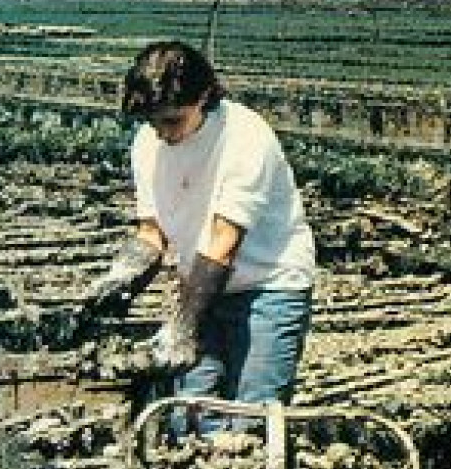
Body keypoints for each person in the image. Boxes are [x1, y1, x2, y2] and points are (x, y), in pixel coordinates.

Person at [85, 40, 316, 410]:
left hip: (268, 286)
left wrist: (183, 327)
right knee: (190, 412)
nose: (163, 132)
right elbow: (151, 233)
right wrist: (118, 280)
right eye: (152, 121)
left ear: (205, 96)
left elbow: (224, 242)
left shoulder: (244, 137)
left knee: (253, 413)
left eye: (173, 120)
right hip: (203, 284)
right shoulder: (148, 144)